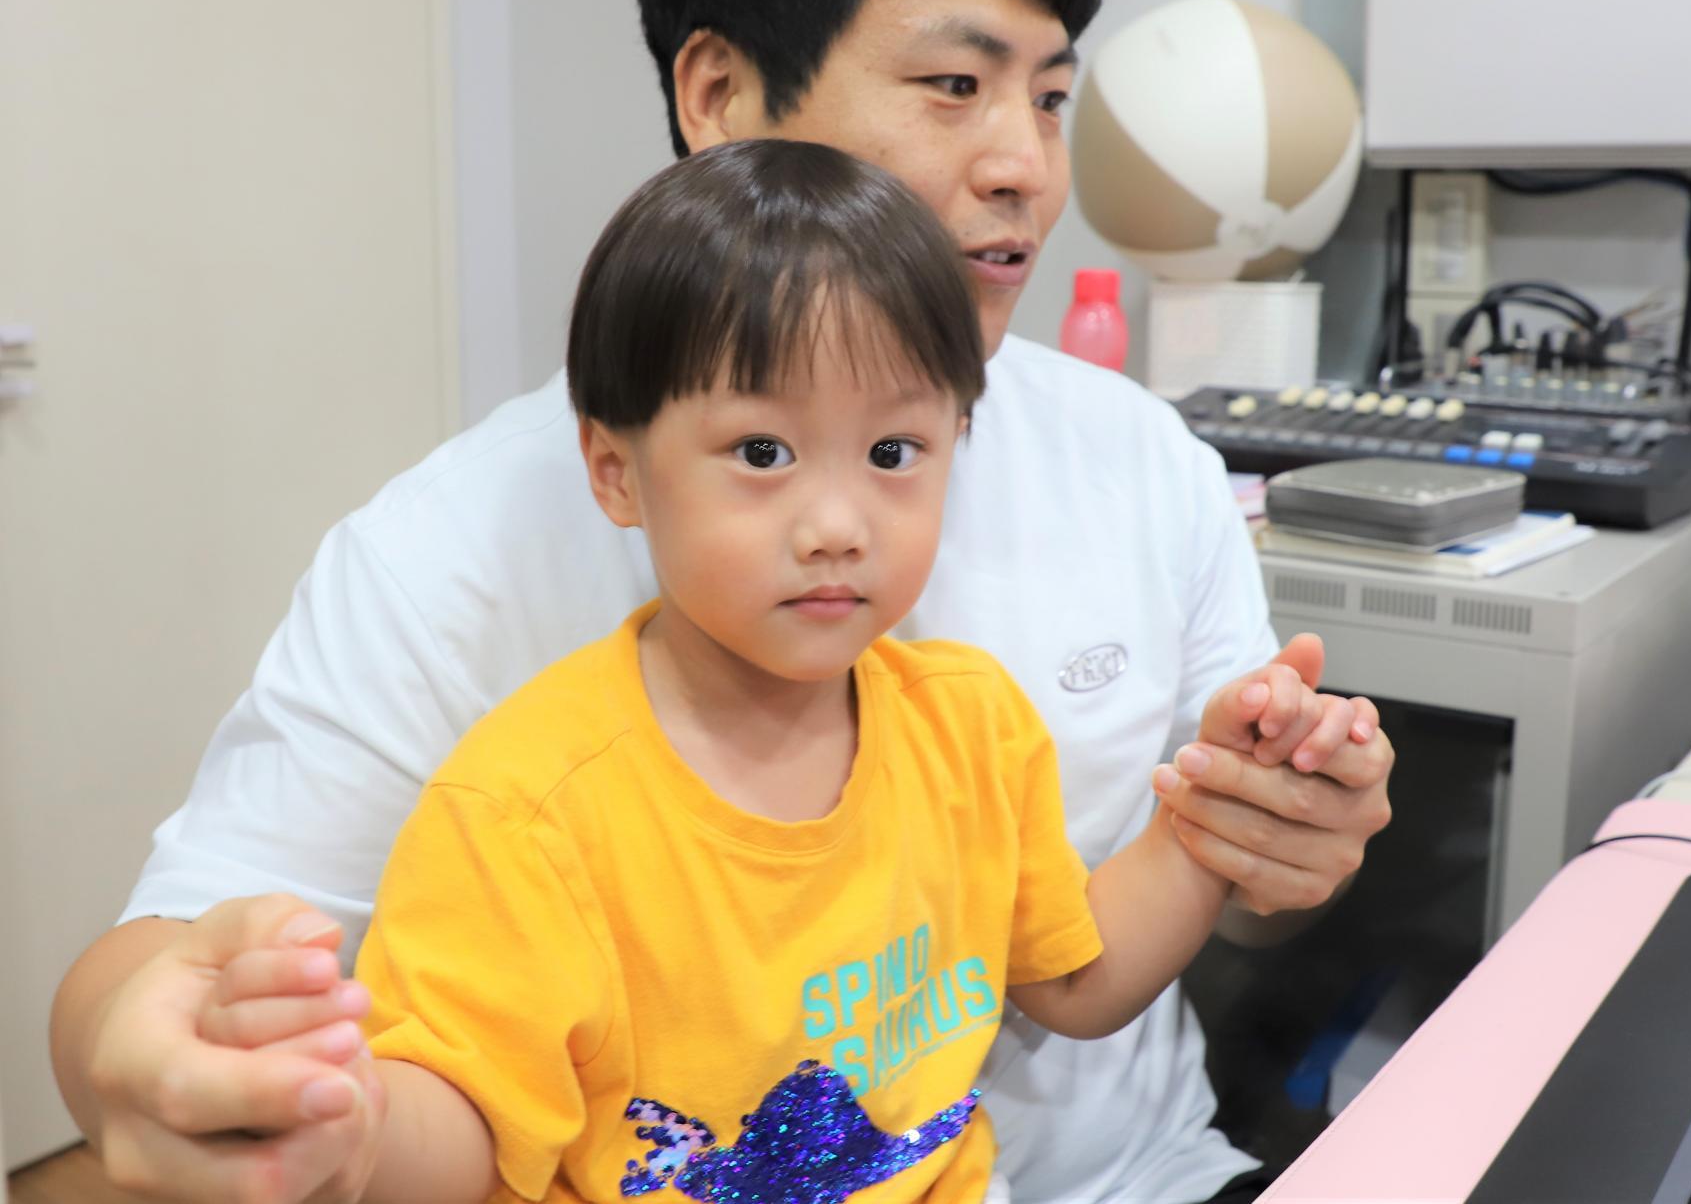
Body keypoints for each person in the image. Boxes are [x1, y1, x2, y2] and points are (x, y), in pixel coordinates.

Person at [52, 0, 1394, 1204]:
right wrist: (146, 1053)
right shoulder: (448, 565)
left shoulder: (1137, 464)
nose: (1026, 168)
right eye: (956, 84)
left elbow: (1158, 921)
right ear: (718, 97)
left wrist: (1272, 829)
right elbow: (181, 955)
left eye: (1051, 98)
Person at [267, 138, 1329, 1204]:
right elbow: (462, 1128)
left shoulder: (969, 727)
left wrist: (1215, 810)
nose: (836, 526)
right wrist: (343, 1120)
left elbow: (1078, 979)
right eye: (762, 452)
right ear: (615, 470)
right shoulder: (527, 813)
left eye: (893, 452)